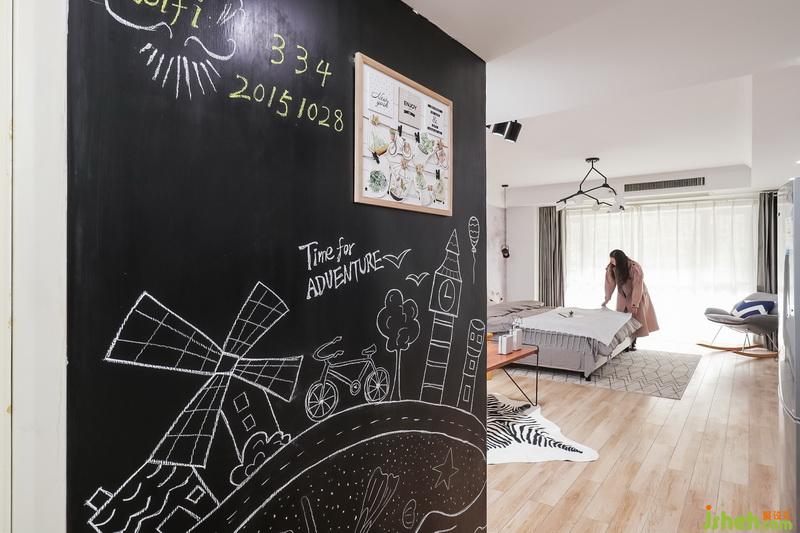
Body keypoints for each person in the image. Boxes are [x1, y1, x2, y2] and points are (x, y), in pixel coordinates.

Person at [602, 249, 659, 351]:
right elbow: (609, 283)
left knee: (635, 319)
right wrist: (607, 298)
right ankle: (624, 343)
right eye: (611, 260)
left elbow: (638, 286)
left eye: (613, 260)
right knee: (621, 318)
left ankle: (632, 343)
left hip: (637, 294)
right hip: (623, 294)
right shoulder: (612, 267)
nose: (611, 262)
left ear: (620, 260)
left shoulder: (634, 267)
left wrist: (635, 304)